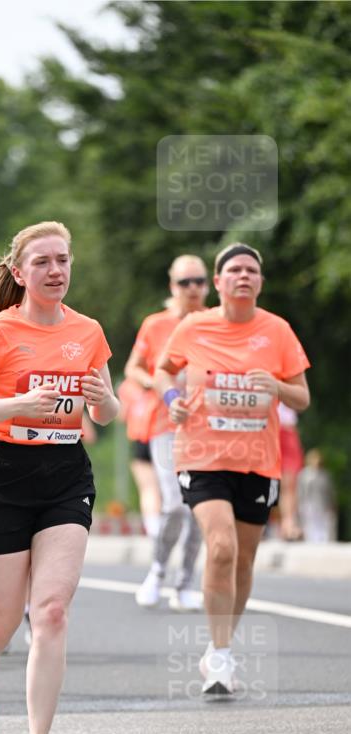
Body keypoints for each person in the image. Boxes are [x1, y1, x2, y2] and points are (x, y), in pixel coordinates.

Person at [0, 220, 118, 734]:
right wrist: (17, 404)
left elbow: (108, 414)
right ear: (19, 273)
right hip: (5, 476)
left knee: (51, 611)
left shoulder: (88, 331)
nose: (55, 270)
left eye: (62, 260)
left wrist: (102, 398)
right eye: (42, 261)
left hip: (66, 474)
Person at [155, 243, 310, 696]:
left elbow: (302, 397)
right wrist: (172, 399)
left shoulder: (277, 331)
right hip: (201, 455)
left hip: (258, 461)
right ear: (219, 282)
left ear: (260, 282)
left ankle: (219, 644)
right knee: (221, 546)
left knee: (243, 559)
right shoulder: (194, 326)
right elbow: (162, 371)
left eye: (251, 270)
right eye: (235, 270)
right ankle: (221, 656)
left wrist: (276, 385)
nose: (244, 276)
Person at [125, 256, 208, 610]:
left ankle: (185, 582)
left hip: (208, 428)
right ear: (173, 286)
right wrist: (155, 384)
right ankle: (158, 570)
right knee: (174, 504)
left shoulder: (214, 322)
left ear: (208, 285)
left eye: (199, 281)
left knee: (199, 507)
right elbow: (133, 368)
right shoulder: (156, 324)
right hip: (166, 424)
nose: (192, 288)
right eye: (185, 282)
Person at [117, 378, 161, 540]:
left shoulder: (128, 386)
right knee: (168, 487)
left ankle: (154, 528)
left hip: (142, 438)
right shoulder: (163, 378)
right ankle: (165, 526)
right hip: (162, 436)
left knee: (148, 488)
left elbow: (122, 416)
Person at [276, 402, 304, 540]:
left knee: (289, 481)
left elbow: (301, 403)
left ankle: (288, 523)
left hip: (286, 428)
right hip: (263, 429)